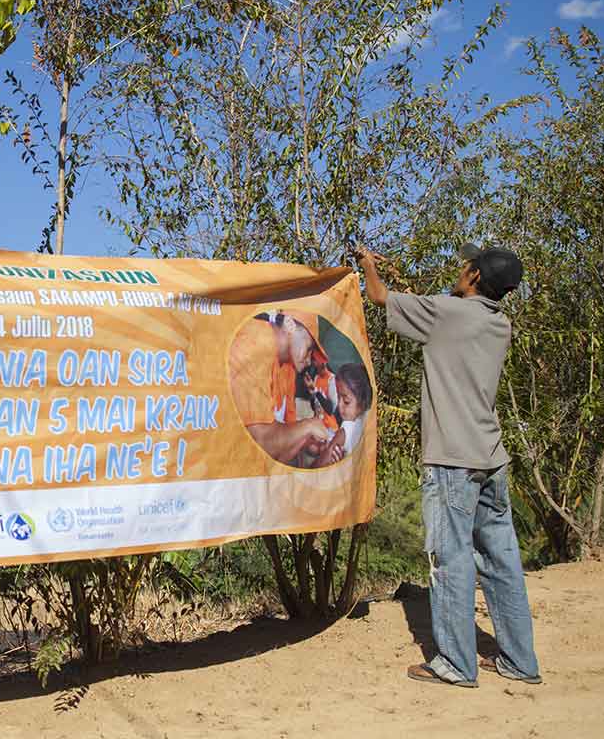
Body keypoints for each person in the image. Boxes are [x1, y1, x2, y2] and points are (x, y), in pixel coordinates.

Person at [356, 243, 542, 688]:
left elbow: (379, 298)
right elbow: (445, 311)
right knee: (502, 559)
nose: (460, 269)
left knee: (450, 559)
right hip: (490, 458)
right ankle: (520, 662)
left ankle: (456, 665)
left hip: (451, 461)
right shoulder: (498, 323)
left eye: (466, 265)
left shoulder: (447, 314)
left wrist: (367, 267)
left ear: (475, 275)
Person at [230, 310, 338, 464]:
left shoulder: (289, 368)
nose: (309, 361)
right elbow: (260, 444)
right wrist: (308, 426)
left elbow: (281, 450)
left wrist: (306, 439)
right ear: (289, 325)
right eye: (309, 349)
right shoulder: (256, 341)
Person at [314, 362, 372, 468]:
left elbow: (317, 467)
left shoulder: (346, 429)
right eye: (338, 397)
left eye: (346, 401)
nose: (340, 406)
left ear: (363, 403)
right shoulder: (370, 424)